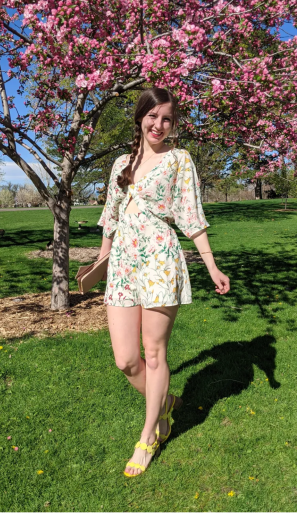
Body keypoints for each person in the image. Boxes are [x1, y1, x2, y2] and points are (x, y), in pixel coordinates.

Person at [96, 87, 231, 477]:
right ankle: (167, 403)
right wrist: (100, 263)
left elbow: (192, 215)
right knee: (126, 360)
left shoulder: (179, 160)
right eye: (152, 116)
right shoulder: (122, 161)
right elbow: (110, 216)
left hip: (159, 260)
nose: (159, 125)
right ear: (140, 117)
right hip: (122, 264)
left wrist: (212, 266)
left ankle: (149, 434)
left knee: (154, 354)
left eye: (167, 119)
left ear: (173, 124)